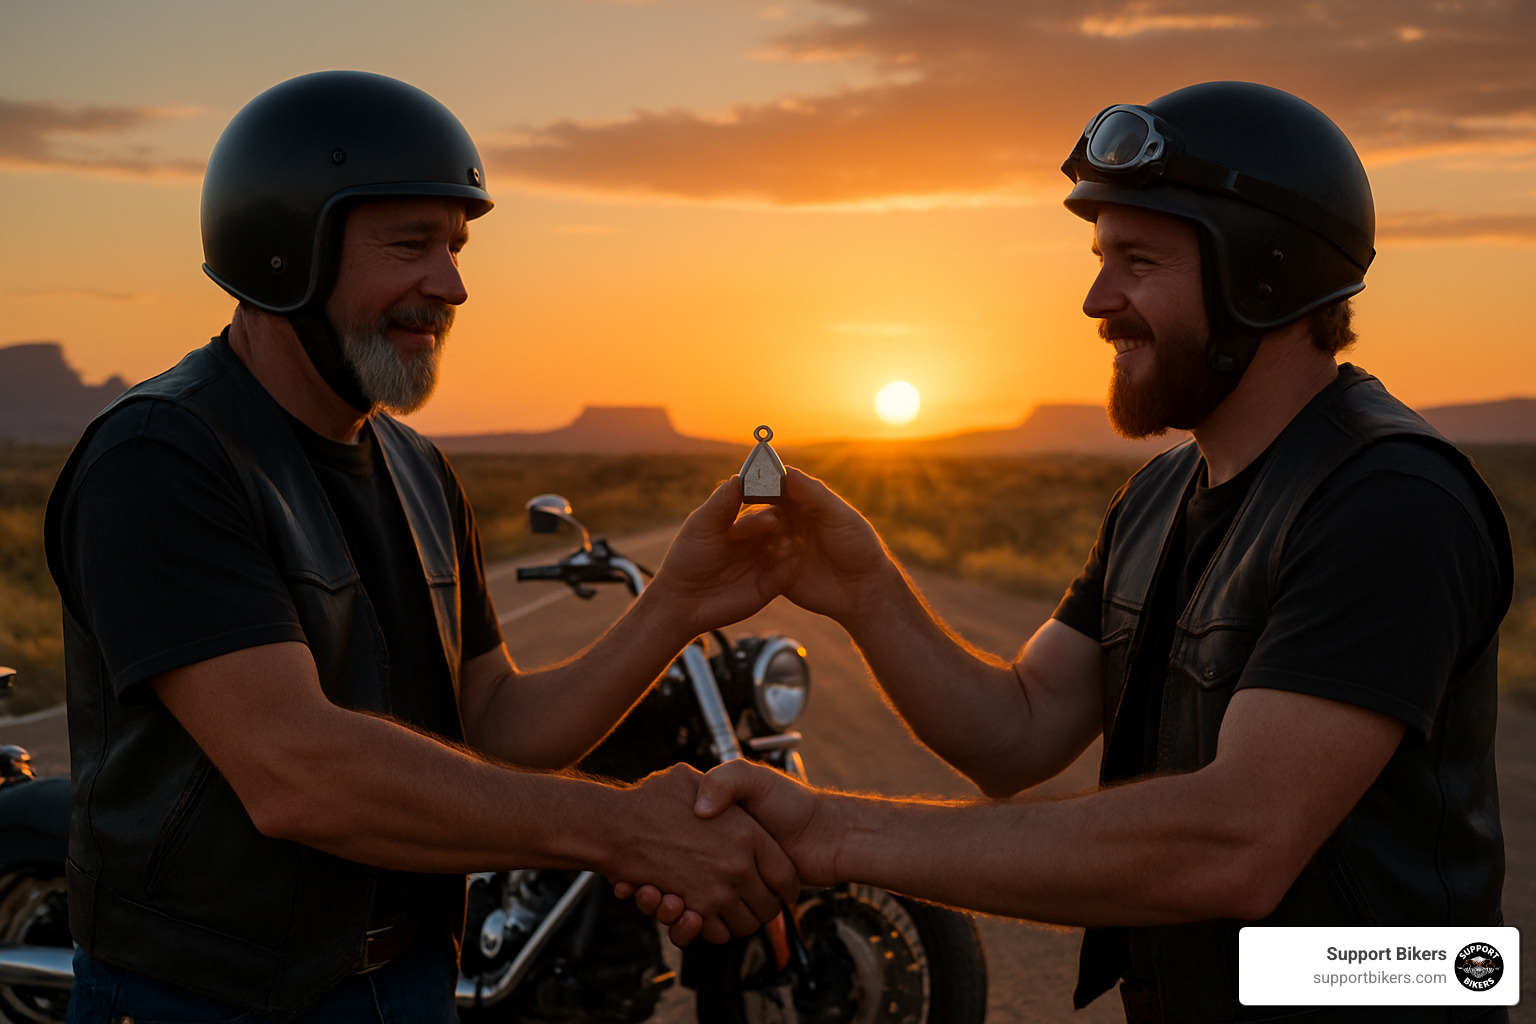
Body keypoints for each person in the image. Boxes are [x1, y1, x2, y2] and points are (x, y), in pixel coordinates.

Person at [640, 82, 1514, 1023]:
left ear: (1265, 276)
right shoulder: (1157, 498)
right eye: (1102, 259)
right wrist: (865, 590)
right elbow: (1014, 733)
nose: (1098, 301)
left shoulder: (1389, 501)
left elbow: (1235, 844)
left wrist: (833, 834)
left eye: (1138, 262)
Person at [43, 71, 797, 1023]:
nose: (452, 286)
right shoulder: (162, 457)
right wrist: (623, 831)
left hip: (411, 981)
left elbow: (497, 722)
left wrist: (679, 603)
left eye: (455, 247)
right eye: (411, 245)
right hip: (207, 999)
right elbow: (297, 772)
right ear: (285, 252)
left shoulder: (417, 468)